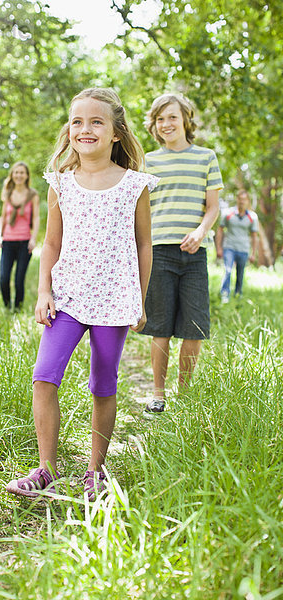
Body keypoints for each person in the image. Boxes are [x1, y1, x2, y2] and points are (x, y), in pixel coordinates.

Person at [5, 87, 159, 500]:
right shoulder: (60, 183)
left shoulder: (134, 185)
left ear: (115, 133)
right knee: (43, 376)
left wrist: (139, 299)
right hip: (68, 297)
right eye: (77, 121)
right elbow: (51, 243)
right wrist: (43, 291)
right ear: (69, 130)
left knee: (102, 385)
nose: (85, 128)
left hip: (113, 301)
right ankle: (46, 470)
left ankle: (95, 470)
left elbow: (145, 244)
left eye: (96, 121)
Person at [140, 93, 223, 414]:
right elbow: (141, 212)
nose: (166, 124)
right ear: (155, 125)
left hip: (194, 255)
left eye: (172, 117)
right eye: (160, 119)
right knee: (159, 326)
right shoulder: (149, 161)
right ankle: (158, 394)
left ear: (185, 119)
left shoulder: (206, 157)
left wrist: (201, 231)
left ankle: (184, 396)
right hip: (158, 252)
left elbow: (212, 207)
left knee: (194, 328)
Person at [0, 161, 40, 311]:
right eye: (16, 172)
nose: (19, 175)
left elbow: (36, 218)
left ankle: (18, 309)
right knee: (4, 278)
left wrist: (33, 239)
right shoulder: (7, 193)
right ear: (12, 175)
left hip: (24, 242)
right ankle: (8, 307)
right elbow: (3, 217)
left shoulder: (32, 195)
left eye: (22, 172)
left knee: (19, 280)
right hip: (8, 241)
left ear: (27, 175)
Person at [215, 189, 258, 302]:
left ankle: (238, 295)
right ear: (237, 199)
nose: (241, 201)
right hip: (229, 247)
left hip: (243, 249)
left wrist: (253, 253)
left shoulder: (252, 217)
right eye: (240, 199)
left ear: (247, 201)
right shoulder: (227, 214)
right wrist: (218, 248)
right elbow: (220, 230)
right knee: (228, 270)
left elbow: (254, 236)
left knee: (240, 274)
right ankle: (225, 295)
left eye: (244, 199)